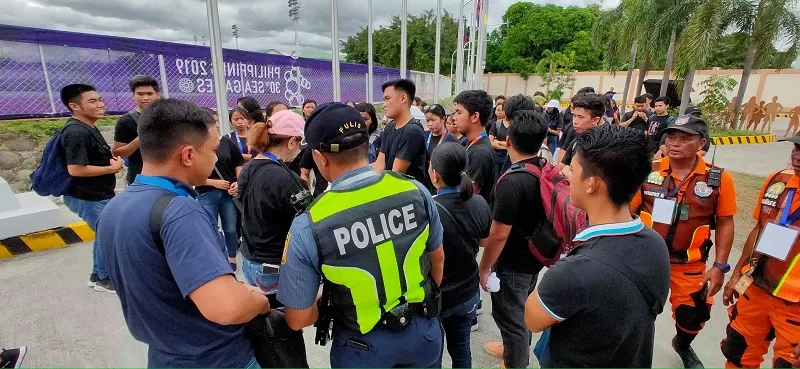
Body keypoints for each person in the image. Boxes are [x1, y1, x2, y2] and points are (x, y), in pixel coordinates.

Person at [96, 99, 270, 367]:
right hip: (217, 359)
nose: (215, 158)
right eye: (213, 150)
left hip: (164, 355)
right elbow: (228, 308)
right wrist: (258, 301)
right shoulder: (180, 211)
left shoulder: (116, 206)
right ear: (188, 154)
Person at [277, 102, 445, 368]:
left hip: (361, 348)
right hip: (423, 333)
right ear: (368, 145)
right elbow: (437, 261)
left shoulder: (309, 223)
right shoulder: (414, 190)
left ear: (320, 158)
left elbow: (298, 319)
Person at [525, 124, 671, 367]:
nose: (567, 175)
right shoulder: (655, 243)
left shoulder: (575, 270)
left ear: (592, 184)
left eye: (572, 170)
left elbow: (533, 318)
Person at [631, 115, 738, 368]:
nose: (674, 143)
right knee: (633, 311)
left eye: (685, 138)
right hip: (646, 261)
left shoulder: (718, 180)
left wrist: (720, 267)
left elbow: (725, 222)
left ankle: (682, 344)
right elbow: (629, 211)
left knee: (694, 315)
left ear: (701, 144)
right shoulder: (649, 170)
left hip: (689, 264)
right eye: (671, 137)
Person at [720, 133, 800, 368]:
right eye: (796, 147)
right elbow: (759, 228)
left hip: (795, 305)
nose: (797, 155)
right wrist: (737, 274)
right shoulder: (778, 181)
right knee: (737, 351)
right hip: (756, 289)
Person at [478, 109, 550, 369]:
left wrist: (484, 267)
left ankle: (515, 362)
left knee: (511, 320)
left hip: (512, 263)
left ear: (508, 140)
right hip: (534, 256)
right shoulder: (542, 167)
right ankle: (512, 351)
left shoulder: (512, 181)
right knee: (521, 312)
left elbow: (498, 235)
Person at [430, 142, 491, 368]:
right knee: (462, 349)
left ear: (434, 175)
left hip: (438, 298)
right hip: (467, 293)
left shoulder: (429, 210)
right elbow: (484, 240)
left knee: (433, 355)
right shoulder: (479, 202)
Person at [59, 84, 122, 293]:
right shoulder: (76, 132)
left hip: (98, 194)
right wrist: (110, 168)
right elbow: (76, 169)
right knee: (108, 235)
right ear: (74, 106)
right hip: (87, 197)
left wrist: (110, 166)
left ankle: (97, 274)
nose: (100, 105)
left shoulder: (88, 127)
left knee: (103, 233)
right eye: (92, 101)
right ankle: (105, 279)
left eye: (100, 100)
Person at [236, 110, 306, 293]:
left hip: (249, 259)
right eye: (300, 143)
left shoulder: (247, 169)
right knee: (283, 318)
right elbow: (306, 221)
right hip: (273, 265)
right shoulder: (286, 179)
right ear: (292, 141)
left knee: (264, 318)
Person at [196, 117, 246, 271]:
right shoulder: (194, 144)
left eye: (217, 120)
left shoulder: (226, 141)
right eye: (212, 121)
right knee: (210, 228)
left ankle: (231, 258)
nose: (216, 124)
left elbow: (239, 163)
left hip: (228, 193)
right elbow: (190, 174)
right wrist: (212, 182)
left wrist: (237, 181)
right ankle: (215, 259)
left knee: (230, 228)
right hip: (206, 193)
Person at [372, 79, 427, 184]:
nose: (384, 104)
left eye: (388, 99)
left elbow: (395, 175)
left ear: (403, 98)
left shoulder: (412, 131)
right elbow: (379, 164)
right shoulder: (390, 127)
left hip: (408, 195)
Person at [113, 75, 160, 185]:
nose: (145, 98)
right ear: (134, 95)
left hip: (170, 174)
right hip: (141, 176)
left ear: (158, 94)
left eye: (149, 93)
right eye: (140, 94)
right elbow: (117, 153)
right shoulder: (126, 121)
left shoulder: (169, 115)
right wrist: (139, 139)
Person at [453, 90, 495, 204]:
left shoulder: (480, 153)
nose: (454, 118)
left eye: (458, 112)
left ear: (475, 116)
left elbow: (469, 198)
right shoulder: (470, 143)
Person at [558, 93, 606, 177]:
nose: (575, 121)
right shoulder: (576, 140)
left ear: (595, 120)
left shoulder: (606, 144)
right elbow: (560, 167)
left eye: (580, 117)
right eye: (574, 116)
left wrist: (569, 172)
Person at [425, 104, 459, 168]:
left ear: (443, 119)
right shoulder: (424, 135)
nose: (430, 124)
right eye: (427, 120)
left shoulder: (451, 140)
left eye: (433, 120)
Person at [488, 103, 510, 181]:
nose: (501, 112)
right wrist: (507, 146)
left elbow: (514, 144)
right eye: (499, 110)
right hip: (497, 156)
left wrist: (499, 142)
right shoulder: (496, 124)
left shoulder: (514, 125)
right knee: (496, 179)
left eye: (502, 110)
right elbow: (490, 142)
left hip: (509, 157)